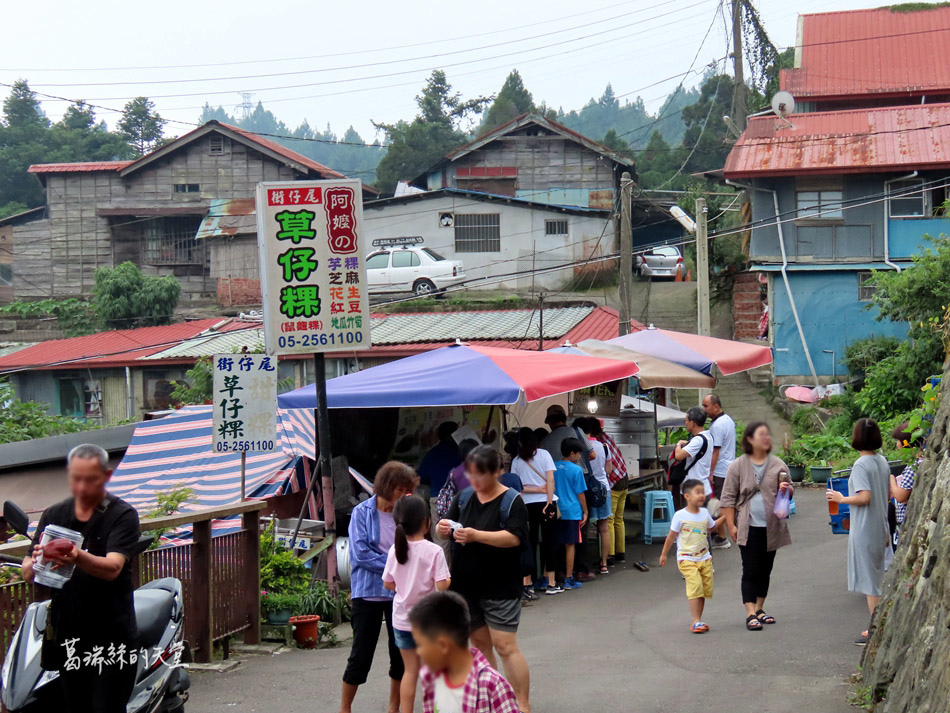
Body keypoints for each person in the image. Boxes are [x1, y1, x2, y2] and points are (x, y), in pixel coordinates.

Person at [21, 444, 140, 713]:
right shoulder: (54, 515)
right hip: (69, 634)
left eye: (90, 478)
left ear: (106, 476)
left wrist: (76, 556)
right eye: (76, 478)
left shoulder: (122, 515)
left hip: (112, 635)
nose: (82, 486)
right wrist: (37, 561)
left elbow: (113, 568)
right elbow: (28, 569)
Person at [437, 446, 532, 713]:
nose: (475, 480)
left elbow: (515, 538)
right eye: (472, 474)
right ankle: (494, 699)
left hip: (501, 584)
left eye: (482, 474)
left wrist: (476, 535)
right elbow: (444, 527)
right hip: (466, 585)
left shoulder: (512, 501)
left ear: (498, 472)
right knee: (480, 645)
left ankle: (522, 704)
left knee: (505, 646)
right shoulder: (465, 496)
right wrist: (442, 529)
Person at [340, 461, 417, 713]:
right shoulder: (362, 512)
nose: (405, 496)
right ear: (387, 486)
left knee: (399, 654)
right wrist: (396, 565)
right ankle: (345, 707)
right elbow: (360, 553)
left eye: (408, 491)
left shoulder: (405, 514)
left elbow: (415, 547)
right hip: (368, 593)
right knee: (361, 654)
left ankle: (394, 706)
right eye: (401, 490)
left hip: (399, 594)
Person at [720, 422, 793, 631]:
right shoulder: (737, 466)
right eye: (761, 435)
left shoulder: (778, 464)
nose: (766, 438)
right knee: (750, 568)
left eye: (767, 435)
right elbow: (727, 498)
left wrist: (785, 489)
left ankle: (760, 609)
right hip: (748, 525)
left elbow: (789, 494)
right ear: (750, 439)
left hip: (772, 527)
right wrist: (731, 525)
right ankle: (750, 613)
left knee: (765, 569)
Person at [383, 495, 451, 713]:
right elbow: (442, 586)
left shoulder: (395, 550)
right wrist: (447, 580)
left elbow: (387, 583)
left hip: (402, 621)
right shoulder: (434, 550)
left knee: (409, 672)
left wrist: (405, 586)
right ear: (426, 522)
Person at [826, 418, 890, 646]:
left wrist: (842, 499)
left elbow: (864, 497)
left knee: (870, 582)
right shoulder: (882, 461)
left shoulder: (862, 465)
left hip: (865, 527)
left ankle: (877, 631)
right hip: (880, 524)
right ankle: (879, 626)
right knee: (876, 577)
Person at [410, 591, 520, 713]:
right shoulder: (430, 678)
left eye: (420, 645)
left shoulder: (492, 685)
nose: (418, 652)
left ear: (443, 646)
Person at [658, 478, 725, 634]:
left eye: (703, 492)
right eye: (697, 492)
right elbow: (671, 536)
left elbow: (712, 527)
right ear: (687, 496)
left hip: (704, 558)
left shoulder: (704, 513)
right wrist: (663, 555)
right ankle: (695, 621)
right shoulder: (680, 516)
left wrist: (726, 517)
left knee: (703, 590)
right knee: (695, 587)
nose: (701, 495)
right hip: (686, 558)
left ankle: (698, 619)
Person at [542, 405, 596, 582]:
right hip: (577, 490)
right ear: (565, 418)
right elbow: (592, 454)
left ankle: (558, 571)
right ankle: (579, 570)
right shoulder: (577, 432)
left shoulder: (546, 441)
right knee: (579, 536)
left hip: (556, 496)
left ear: (550, 422)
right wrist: (586, 510)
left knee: (556, 538)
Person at [509, 428, 560, 596]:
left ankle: (528, 582)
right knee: (549, 542)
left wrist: (534, 489)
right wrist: (548, 500)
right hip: (546, 503)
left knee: (527, 543)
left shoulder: (516, 461)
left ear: (520, 443)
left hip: (525, 506)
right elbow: (551, 479)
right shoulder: (545, 455)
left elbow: (518, 488)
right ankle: (551, 583)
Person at [576, 418, 613, 574]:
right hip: (603, 489)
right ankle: (604, 563)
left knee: (583, 527)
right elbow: (609, 470)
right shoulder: (603, 447)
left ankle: (583, 565)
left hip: (585, 489)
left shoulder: (579, 447)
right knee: (603, 528)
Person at [419, 422, 463, 552]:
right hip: (461, 498)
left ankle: (444, 572)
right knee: (463, 535)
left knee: (441, 540)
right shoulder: (462, 452)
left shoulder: (432, 453)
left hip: (438, 499)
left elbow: (422, 476)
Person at [553, 438, 589, 590]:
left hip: (555, 510)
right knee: (570, 545)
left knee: (554, 545)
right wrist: (585, 511)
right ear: (572, 453)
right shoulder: (577, 470)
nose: (580, 457)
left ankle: (551, 576)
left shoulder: (553, 467)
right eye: (579, 453)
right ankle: (569, 578)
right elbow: (580, 493)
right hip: (572, 511)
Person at [704, 393, 735, 550]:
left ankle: (722, 537)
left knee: (718, 504)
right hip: (728, 467)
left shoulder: (717, 426)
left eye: (706, 406)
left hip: (720, 469)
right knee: (721, 503)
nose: (704, 410)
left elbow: (715, 451)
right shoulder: (727, 420)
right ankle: (719, 533)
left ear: (716, 406)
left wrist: (710, 472)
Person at [598, 425, 628, 565]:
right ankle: (620, 552)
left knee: (609, 519)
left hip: (614, 482)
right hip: (624, 479)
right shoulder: (608, 438)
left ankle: (609, 554)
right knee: (618, 519)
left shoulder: (599, 444)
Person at [673, 407, 714, 506]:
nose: (685, 423)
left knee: (692, 521)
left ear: (693, 423)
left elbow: (678, 456)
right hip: (703, 488)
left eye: (686, 421)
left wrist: (678, 444)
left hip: (694, 490)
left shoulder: (698, 440)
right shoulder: (707, 436)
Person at [889, 422, 923, 536]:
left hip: (907, 522)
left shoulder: (914, 466)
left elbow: (900, 496)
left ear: (906, 442)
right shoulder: (921, 462)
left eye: (898, 441)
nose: (897, 445)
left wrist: (892, 479)